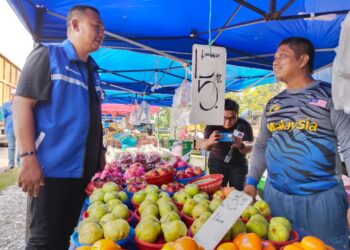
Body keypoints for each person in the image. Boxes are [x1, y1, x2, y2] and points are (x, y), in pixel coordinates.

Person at [244, 37, 350, 249]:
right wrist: (251, 182)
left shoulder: (331, 96)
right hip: (276, 196)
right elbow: (262, 145)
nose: (275, 62)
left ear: (303, 60)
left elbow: (348, 144)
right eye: (274, 58)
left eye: (282, 55)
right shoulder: (273, 103)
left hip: (321, 199)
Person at [13, 5, 104, 250]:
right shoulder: (48, 55)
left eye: (103, 29)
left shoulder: (92, 70)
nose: (102, 33)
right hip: (51, 172)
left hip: (81, 174)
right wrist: (28, 158)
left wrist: (100, 155)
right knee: (44, 241)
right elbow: (21, 104)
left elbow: (92, 118)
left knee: (65, 237)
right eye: (96, 26)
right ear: (74, 25)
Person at [203, 99, 253, 190]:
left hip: (238, 164)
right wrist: (209, 142)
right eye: (224, 118)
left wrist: (241, 145)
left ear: (237, 114)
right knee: (217, 193)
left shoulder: (244, 124)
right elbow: (205, 147)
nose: (228, 122)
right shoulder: (212, 124)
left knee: (238, 193)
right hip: (216, 163)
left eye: (232, 118)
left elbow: (250, 146)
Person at [2, 89, 18, 170]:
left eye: (16, 94)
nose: (14, 96)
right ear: (10, 95)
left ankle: (20, 164)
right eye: (13, 94)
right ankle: (11, 164)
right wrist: (5, 127)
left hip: (19, 129)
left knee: (21, 148)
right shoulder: (5, 105)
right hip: (9, 129)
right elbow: (2, 118)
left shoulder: (21, 105)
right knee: (11, 147)